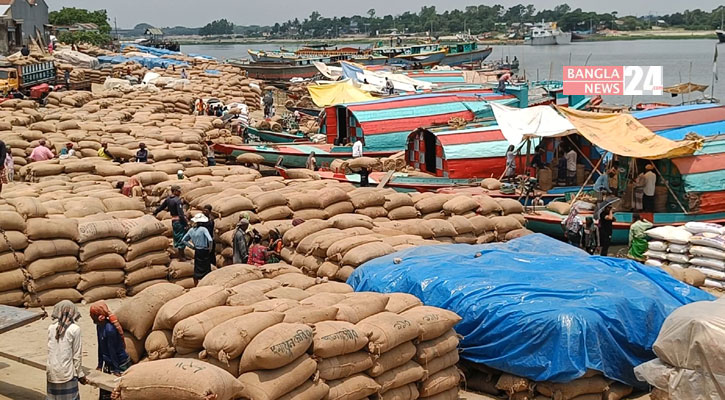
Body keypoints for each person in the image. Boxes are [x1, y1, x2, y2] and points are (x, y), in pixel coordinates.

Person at [46, 300, 87, 400]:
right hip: (67, 374)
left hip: (52, 373)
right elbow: (76, 355)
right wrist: (80, 374)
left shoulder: (51, 328)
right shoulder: (75, 329)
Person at [90, 301, 131, 399]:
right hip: (109, 362)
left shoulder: (110, 330)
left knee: (118, 392)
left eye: (93, 315)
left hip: (119, 362)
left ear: (100, 317)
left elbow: (112, 351)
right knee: (105, 391)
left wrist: (116, 370)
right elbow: (100, 346)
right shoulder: (99, 326)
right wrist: (100, 365)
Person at [154, 185, 188, 260]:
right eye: (178, 191)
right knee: (181, 237)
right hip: (179, 221)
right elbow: (181, 215)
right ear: (175, 191)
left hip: (173, 220)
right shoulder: (177, 201)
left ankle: (182, 255)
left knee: (177, 236)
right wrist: (185, 223)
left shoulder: (168, 199)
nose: (180, 192)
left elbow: (161, 207)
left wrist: (155, 212)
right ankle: (181, 256)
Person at [182, 213, 214, 285]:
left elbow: (183, 240)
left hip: (197, 250)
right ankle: (206, 284)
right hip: (204, 250)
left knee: (197, 268)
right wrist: (210, 248)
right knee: (206, 268)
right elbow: (210, 240)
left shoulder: (191, 230)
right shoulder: (203, 229)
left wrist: (191, 247)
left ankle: (196, 285)